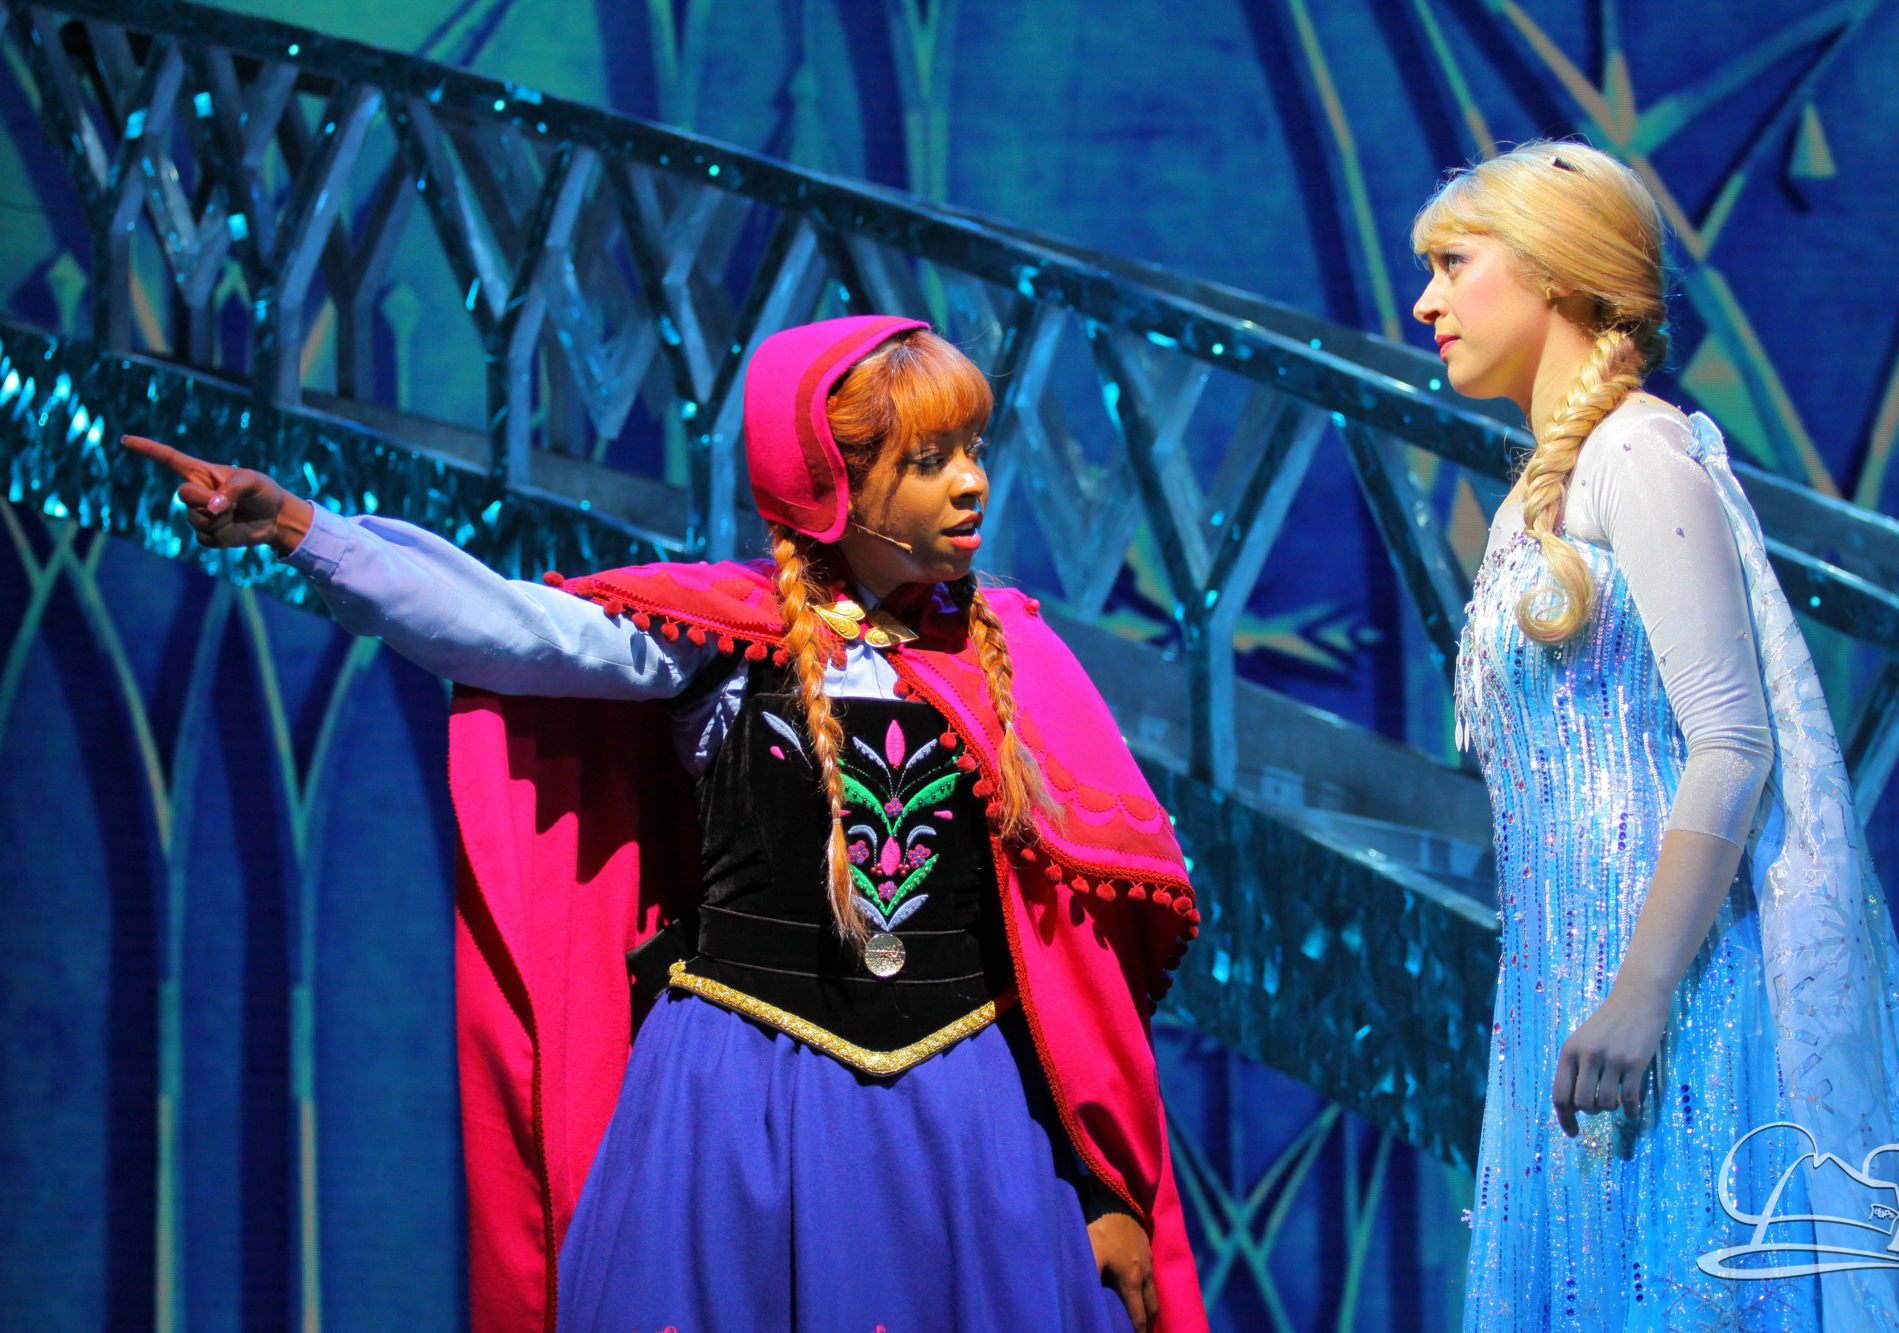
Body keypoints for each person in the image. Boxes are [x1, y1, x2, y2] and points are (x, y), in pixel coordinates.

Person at [125, 315, 1206, 1333]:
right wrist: (300, 529)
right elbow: (500, 626)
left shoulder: (1013, 658)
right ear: (830, 483)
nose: (971, 482)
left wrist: (1104, 1185)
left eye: (970, 449)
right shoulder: (720, 638)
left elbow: (1076, 966)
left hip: (961, 1118)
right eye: (928, 461)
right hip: (742, 1102)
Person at [1415, 141, 1899, 1329]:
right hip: (1567, 987)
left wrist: (1639, 995)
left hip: (1675, 995)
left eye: (1451, 264)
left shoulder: (1638, 452)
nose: (1424, 303)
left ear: (1553, 272)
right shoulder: (1548, 485)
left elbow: (1731, 741)